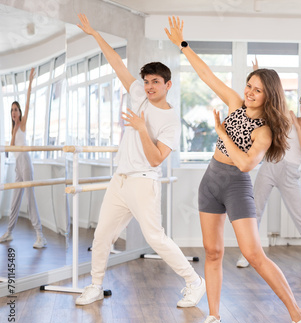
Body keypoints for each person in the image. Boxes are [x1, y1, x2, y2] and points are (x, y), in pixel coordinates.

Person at [165, 17, 301, 323]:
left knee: (254, 254)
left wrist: (220, 133)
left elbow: (245, 164)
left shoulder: (265, 130)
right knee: (213, 252)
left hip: (236, 186)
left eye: (257, 90)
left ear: (269, 96)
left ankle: (298, 315)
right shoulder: (235, 103)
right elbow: (206, 76)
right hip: (210, 182)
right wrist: (183, 45)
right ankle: (214, 315)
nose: (249, 93)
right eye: (248, 86)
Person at [74, 14, 206, 307]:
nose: (148, 86)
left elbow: (157, 158)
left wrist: (142, 128)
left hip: (143, 182)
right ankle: (95, 286)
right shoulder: (140, 96)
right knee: (101, 237)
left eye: (155, 82)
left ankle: (195, 282)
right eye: (146, 81)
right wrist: (95, 33)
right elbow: (117, 65)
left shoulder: (171, 120)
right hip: (120, 180)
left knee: (156, 239)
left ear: (168, 84)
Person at [236, 90, 301, 270]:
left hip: (290, 173)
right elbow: (272, 103)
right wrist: (260, 79)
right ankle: (246, 253)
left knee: (300, 215)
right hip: (271, 165)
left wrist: (297, 125)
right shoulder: (289, 118)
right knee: (255, 210)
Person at [0, 68, 47, 249]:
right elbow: (12, 148)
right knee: (14, 200)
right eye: (12, 110)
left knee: (30, 198)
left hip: (25, 162)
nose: (14, 112)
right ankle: (9, 232)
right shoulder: (13, 128)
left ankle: (40, 235)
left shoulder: (24, 123)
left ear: (19, 111)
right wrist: (11, 133)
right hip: (17, 165)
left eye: (16, 109)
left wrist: (29, 83)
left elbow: (28, 103)